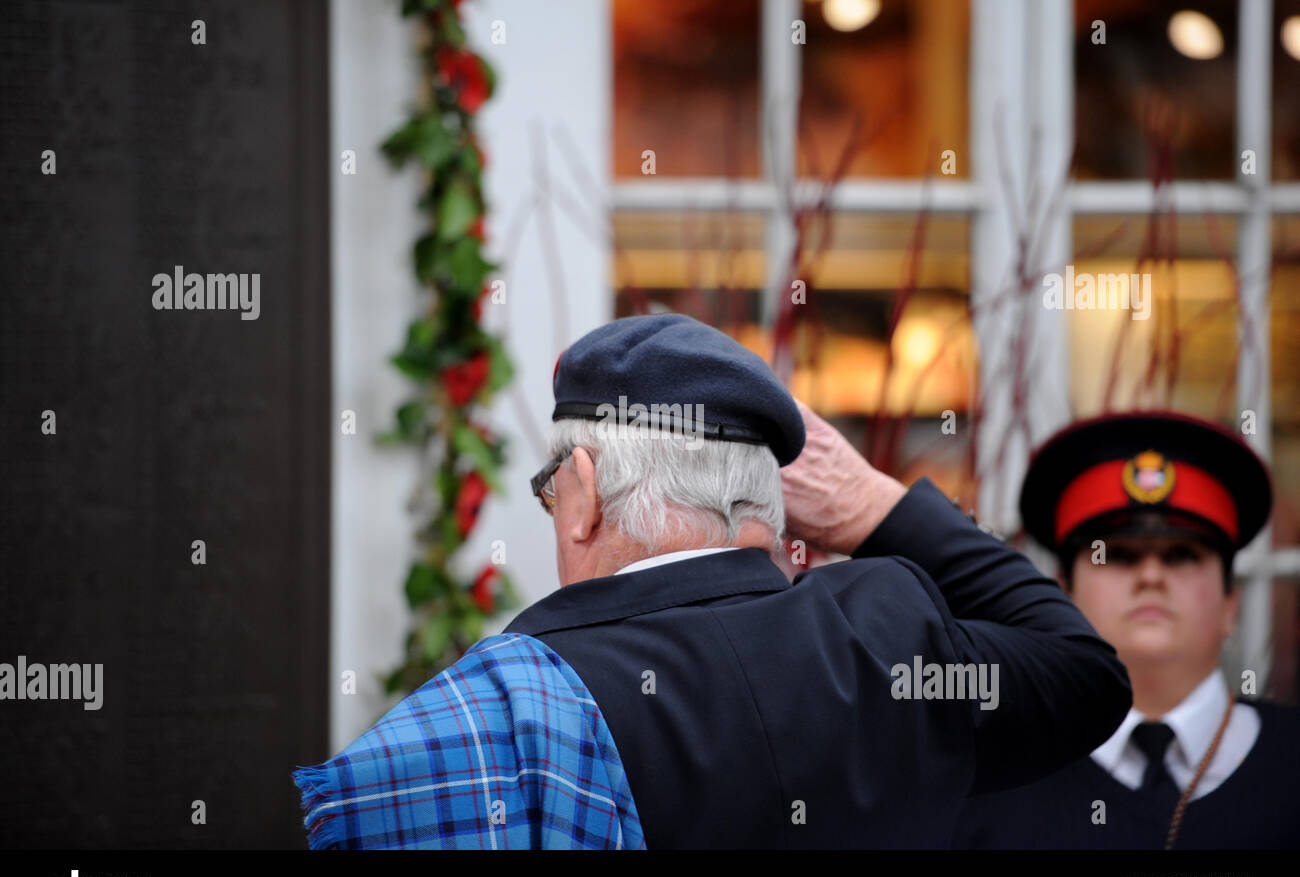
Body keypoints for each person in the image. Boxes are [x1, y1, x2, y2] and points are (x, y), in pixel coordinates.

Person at [294, 312, 1131, 849]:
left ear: (582, 497)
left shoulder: (493, 714)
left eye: (552, 492)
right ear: (768, 512)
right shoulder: (891, 642)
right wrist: (875, 505)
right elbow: (1086, 674)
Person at [951, 411, 1300, 849]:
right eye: (1116, 555)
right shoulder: (989, 784)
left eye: (1181, 555)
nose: (1150, 576)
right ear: (1063, 598)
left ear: (1231, 602)